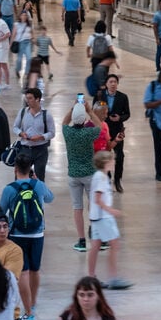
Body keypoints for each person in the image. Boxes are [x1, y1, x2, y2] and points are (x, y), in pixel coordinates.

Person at [0, 155, 55, 320]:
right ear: (30, 168)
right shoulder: (38, 185)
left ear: (15, 169)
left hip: (17, 234)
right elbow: (50, 198)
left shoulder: (10, 189)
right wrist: (37, 180)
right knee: (35, 270)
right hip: (37, 234)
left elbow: (1, 210)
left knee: (23, 272)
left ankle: (28, 312)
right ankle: (34, 303)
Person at [62, 99, 102, 252]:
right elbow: (99, 125)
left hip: (73, 175)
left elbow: (64, 122)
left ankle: (81, 240)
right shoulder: (89, 133)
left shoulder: (68, 133)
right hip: (90, 175)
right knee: (93, 205)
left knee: (77, 208)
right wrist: (90, 111)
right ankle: (96, 233)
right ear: (85, 119)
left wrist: (72, 108)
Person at [87, 151, 131, 289]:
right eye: (112, 160)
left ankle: (91, 277)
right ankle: (113, 278)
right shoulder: (101, 178)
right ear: (106, 162)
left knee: (95, 247)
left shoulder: (99, 176)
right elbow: (98, 199)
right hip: (104, 218)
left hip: (96, 217)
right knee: (114, 245)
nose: (114, 162)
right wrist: (111, 211)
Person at [12, 87, 56, 181]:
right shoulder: (23, 112)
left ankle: (39, 195)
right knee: (20, 176)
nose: (27, 101)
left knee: (40, 177)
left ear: (38, 99)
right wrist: (21, 133)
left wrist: (41, 137)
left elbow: (52, 133)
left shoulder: (46, 115)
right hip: (25, 149)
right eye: (27, 98)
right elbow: (15, 127)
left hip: (41, 150)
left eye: (30, 98)